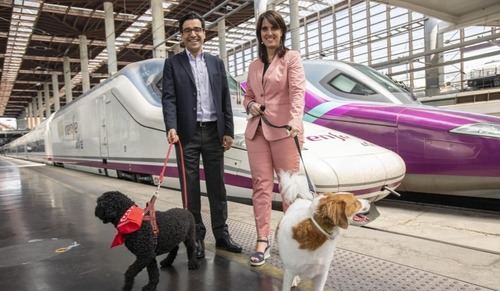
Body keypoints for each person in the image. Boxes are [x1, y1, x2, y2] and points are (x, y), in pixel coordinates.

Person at [162, 11, 242, 259]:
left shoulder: (216, 62)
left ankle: (222, 235)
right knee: (191, 190)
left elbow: (224, 98)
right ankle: (195, 237)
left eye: (197, 29)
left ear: (204, 34)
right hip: (187, 135)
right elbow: (169, 98)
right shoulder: (173, 63)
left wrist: (228, 130)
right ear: (182, 35)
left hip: (213, 132)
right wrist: (171, 126)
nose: (193, 33)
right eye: (187, 30)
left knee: (218, 187)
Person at [243, 10, 306, 266]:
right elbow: (247, 96)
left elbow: (298, 92)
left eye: (273, 28)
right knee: (261, 186)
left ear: (281, 32)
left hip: (284, 131)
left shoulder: (292, 58)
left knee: (289, 189)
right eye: (264, 29)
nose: (269, 33)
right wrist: (250, 107)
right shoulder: (254, 65)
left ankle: (291, 239)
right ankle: (262, 240)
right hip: (257, 131)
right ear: (259, 34)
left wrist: (295, 120)